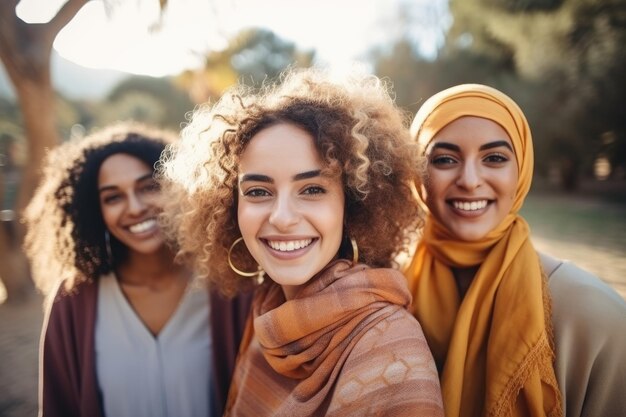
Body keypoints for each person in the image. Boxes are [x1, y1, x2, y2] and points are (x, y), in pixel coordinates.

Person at [159, 68, 445, 416]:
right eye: (258, 191)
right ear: (231, 208)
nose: (281, 217)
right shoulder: (268, 311)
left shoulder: (389, 348)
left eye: (312, 189)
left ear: (352, 204)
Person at [404, 83, 626, 417]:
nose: (469, 179)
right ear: (417, 174)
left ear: (520, 169)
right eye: (445, 159)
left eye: (494, 158)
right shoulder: (388, 293)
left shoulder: (594, 318)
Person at [23, 122, 251, 417]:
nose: (134, 207)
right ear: (95, 211)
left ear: (176, 187)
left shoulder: (229, 285)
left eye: (149, 187)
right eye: (113, 197)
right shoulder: (73, 301)